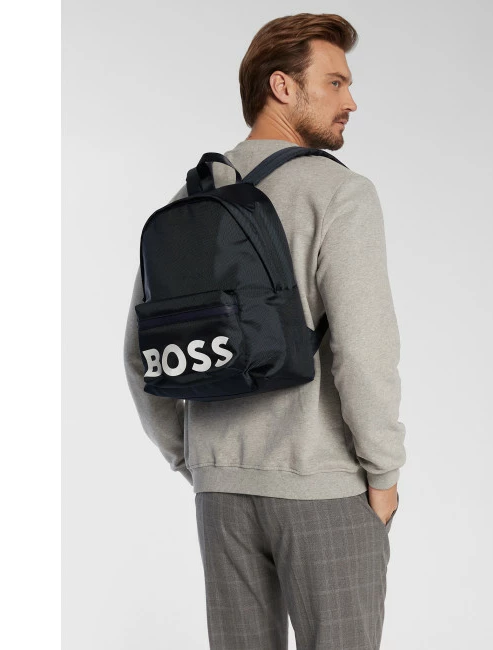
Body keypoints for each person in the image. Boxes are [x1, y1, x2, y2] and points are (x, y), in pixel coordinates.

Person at [123, 12, 406, 650]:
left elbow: (140, 356)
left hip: (220, 492)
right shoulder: (339, 194)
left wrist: (195, 460)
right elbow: (365, 352)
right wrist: (384, 476)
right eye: (335, 83)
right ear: (282, 86)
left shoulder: (188, 200)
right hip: (321, 484)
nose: (351, 101)